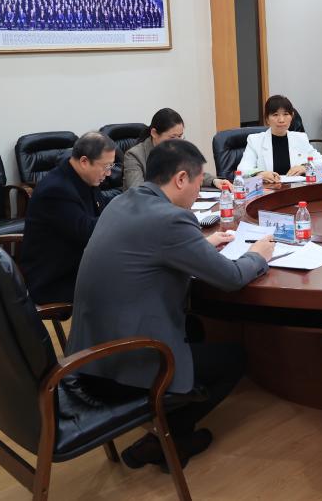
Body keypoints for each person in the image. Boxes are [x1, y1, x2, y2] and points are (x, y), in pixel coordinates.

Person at [66, 139, 275, 471]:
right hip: (122, 364)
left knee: (194, 327)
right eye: (199, 182)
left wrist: (200, 246)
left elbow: (149, 251)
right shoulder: (171, 220)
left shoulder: (122, 202)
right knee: (235, 358)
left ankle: (166, 426)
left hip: (87, 356)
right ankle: (171, 440)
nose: (198, 191)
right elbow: (232, 277)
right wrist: (257, 255)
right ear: (180, 179)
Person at [19, 132, 116, 304]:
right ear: (84, 162)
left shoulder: (85, 178)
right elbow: (88, 231)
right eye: (106, 166)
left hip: (78, 266)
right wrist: (123, 217)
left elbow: (102, 209)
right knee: (126, 284)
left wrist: (126, 204)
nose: (108, 173)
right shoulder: (56, 190)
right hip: (54, 280)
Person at [123, 107, 224, 190]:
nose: (177, 142)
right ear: (154, 133)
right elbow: (137, 192)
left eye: (180, 136)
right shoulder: (134, 156)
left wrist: (213, 181)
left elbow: (191, 172)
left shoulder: (176, 150)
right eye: (172, 137)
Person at [238, 95, 322, 183]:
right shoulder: (255, 140)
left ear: (292, 116)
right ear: (267, 119)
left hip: (296, 188)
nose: (281, 120)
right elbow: (242, 170)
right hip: (269, 189)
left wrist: (305, 167)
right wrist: (260, 174)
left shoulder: (300, 138)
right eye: (275, 115)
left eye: (286, 114)